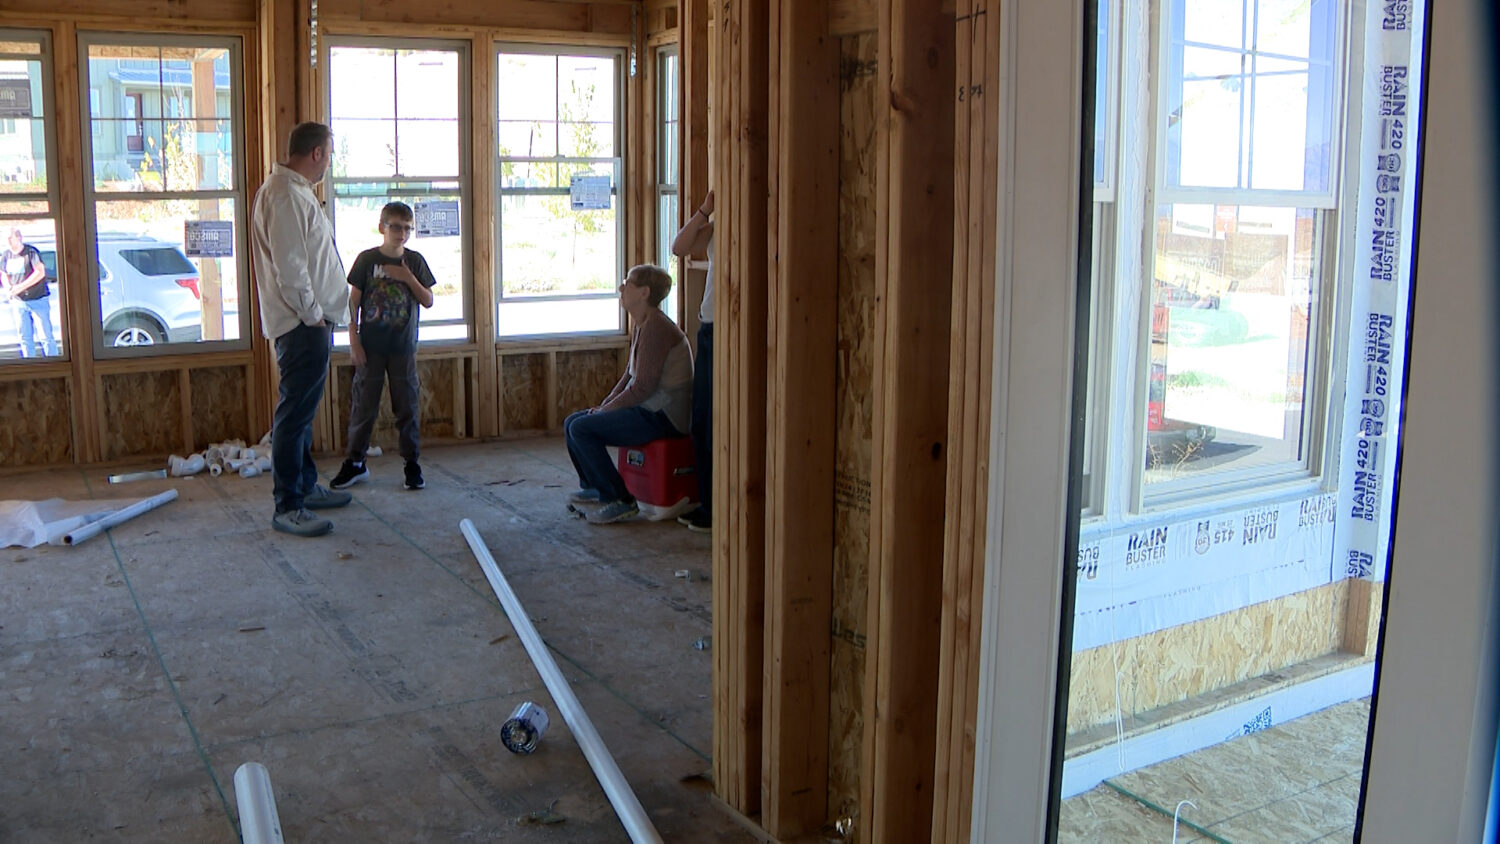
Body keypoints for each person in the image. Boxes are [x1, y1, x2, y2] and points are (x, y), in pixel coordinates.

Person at [250, 121, 353, 537]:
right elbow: (291, 269)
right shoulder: (284, 196)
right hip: (301, 324)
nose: (329, 163)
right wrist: (312, 315)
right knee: (294, 416)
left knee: (302, 413)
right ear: (316, 154)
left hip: (306, 322)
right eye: (329, 155)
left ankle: (306, 488)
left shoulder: (292, 192)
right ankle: (288, 505)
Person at [564, 264, 693, 525]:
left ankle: (620, 500)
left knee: (582, 429)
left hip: (664, 416)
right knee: (573, 422)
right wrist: (603, 406)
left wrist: (605, 412)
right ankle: (595, 486)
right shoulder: (643, 324)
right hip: (648, 408)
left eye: (628, 283)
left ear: (644, 292)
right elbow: (629, 376)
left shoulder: (657, 328)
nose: (622, 288)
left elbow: (643, 387)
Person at [329, 202, 436, 492]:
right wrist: (353, 340)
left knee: (407, 407)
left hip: (402, 349)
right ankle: (355, 462)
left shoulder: (414, 262)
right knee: (364, 406)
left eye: (407, 228)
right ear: (382, 227)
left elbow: (427, 300)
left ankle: (412, 464)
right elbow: (352, 303)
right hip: (370, 348)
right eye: (396, 226)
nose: (401, 233)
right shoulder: (367, 260)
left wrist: (407, 278)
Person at [671, 189, 714, 532]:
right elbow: (680, 247)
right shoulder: (721, 219)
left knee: (711, 422)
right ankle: (709, 503)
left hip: (725, 331)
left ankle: (713, 509)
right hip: (710, 328)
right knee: (702, 421)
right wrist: (704, 211)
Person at [4, 227, 59, 358]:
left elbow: (40, 272)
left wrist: (20, 287)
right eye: (6, 239)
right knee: (25, 337)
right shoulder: (6, 255)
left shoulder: (31, 252)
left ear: (18, 238)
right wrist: (9, 288)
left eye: (10, 238)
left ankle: (53, 365)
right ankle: (30, 364)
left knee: (45, 336)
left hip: (38, 300)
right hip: (19, 303)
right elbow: (3, 273)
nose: (8, 241)